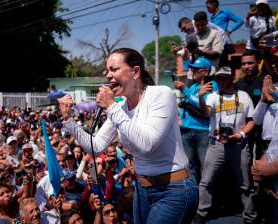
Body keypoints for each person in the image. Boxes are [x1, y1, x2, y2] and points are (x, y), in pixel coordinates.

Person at [59, 48, 197, 224]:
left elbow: (147, 143)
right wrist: (68, 120)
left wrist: (112, 107)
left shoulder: (161, 94)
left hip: (173, 190)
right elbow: (96, 146)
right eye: (107, 70)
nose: (108, 75)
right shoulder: (121, 107)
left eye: (114, 69)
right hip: (143, 190)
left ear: (136, 72)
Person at [194, 67, 257, 224]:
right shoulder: (213, 96)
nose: (220, 82)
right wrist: (201, 97)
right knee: (206, 181)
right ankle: (201, 213)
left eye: (224, 78)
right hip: (217, 144)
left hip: (239, 144)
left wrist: (241, 134)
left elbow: (252, 120)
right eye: (218, 79)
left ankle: (250, 216)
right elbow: (206, 113)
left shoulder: (244, 96)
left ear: (232, 79)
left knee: (246, 184)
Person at [174, 57, 218, 183]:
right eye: (191, 68)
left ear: (205, 71)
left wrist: (185, 90)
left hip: (202, 132)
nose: (191, 71)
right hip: (186, 130)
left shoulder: (211, 85)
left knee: (205, 168)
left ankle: (206, 199)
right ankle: (194, 197)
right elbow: (189, 104)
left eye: (195, 69)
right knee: (190, 167)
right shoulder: (194, 86)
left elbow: (203, 107)